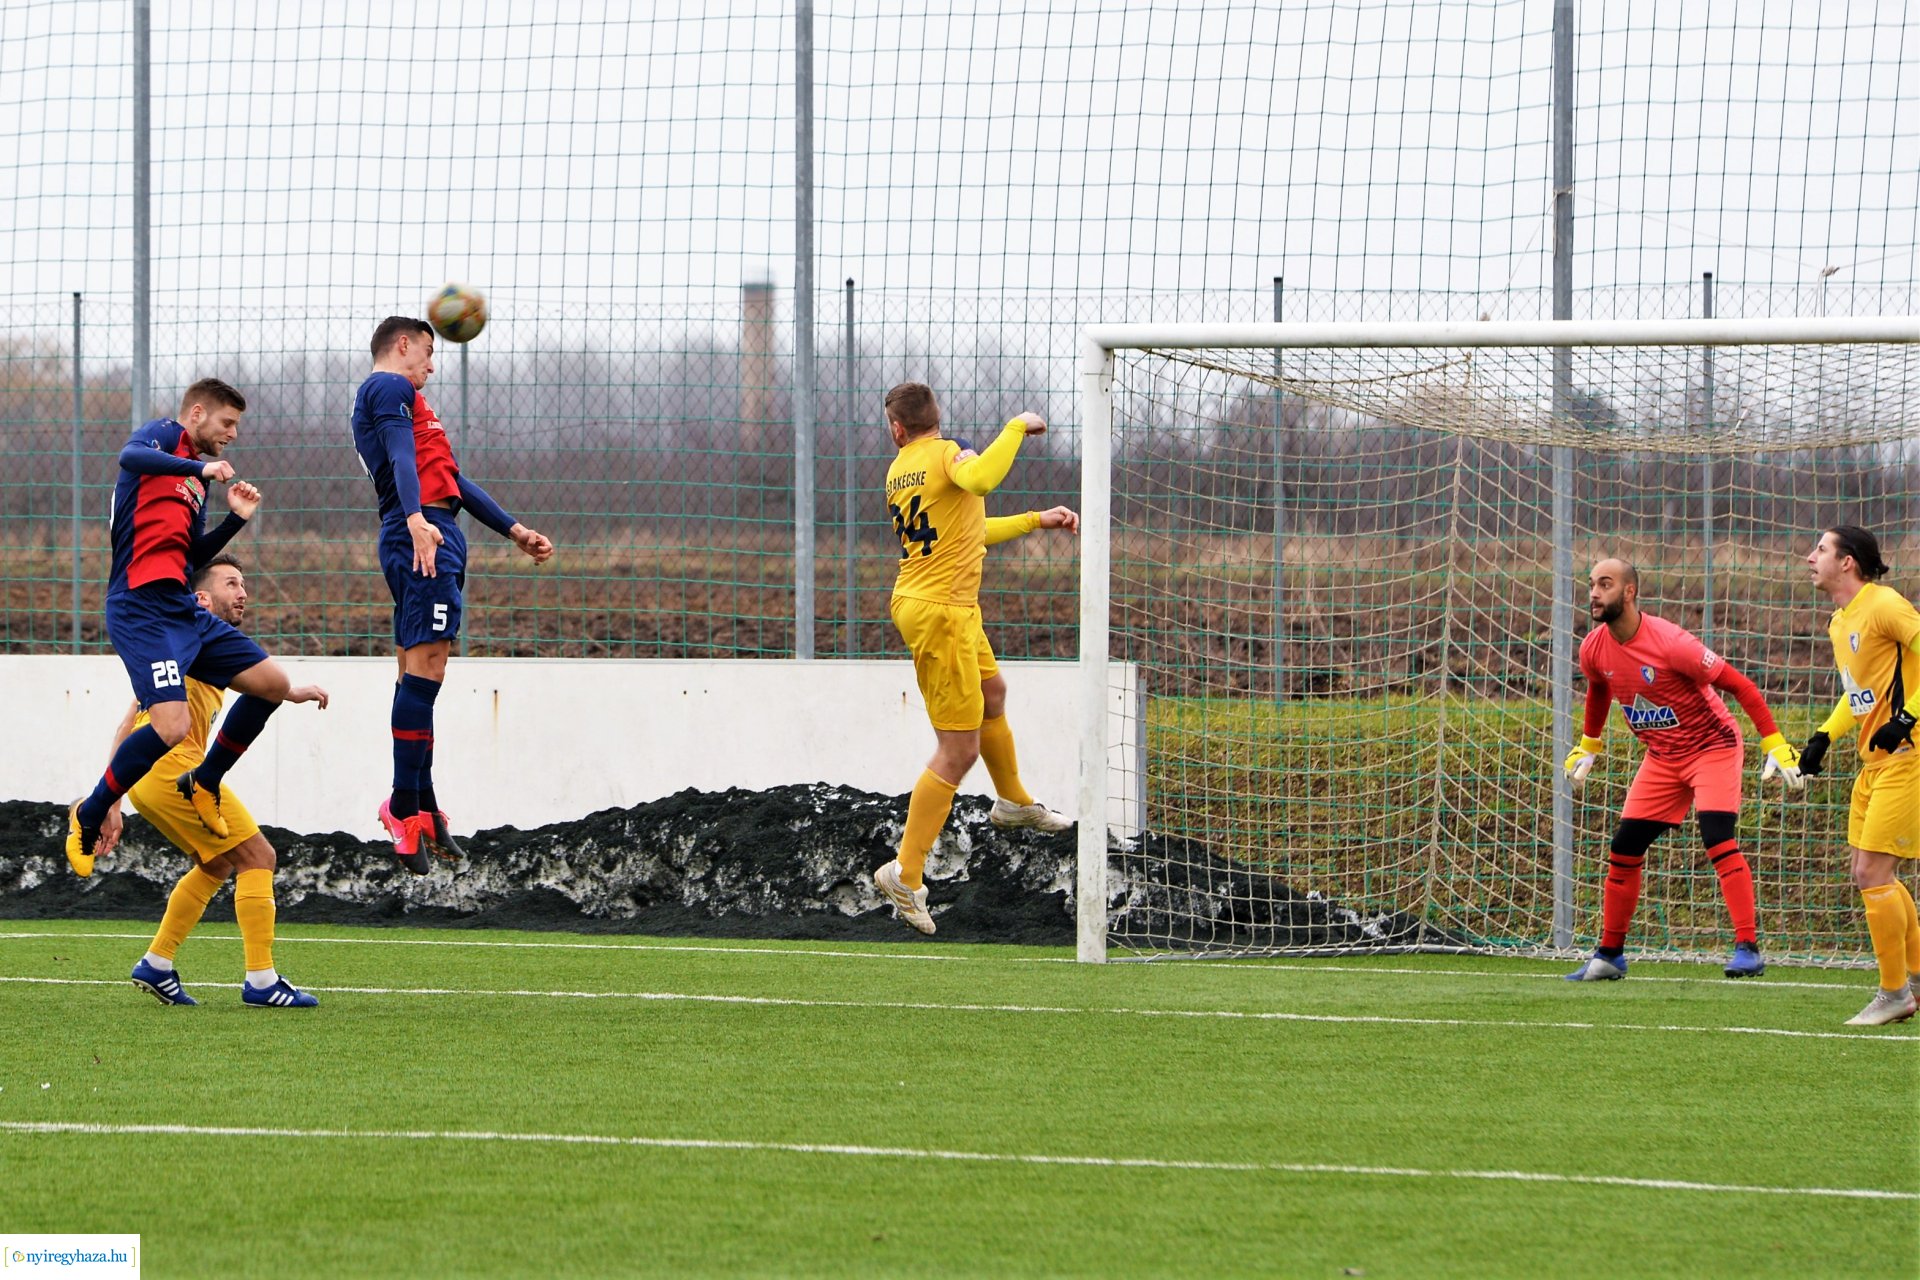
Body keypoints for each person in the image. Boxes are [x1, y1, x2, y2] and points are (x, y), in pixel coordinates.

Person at [67, 379, 305, 873]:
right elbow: (130, 456)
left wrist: (235, 519)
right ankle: (90, 812)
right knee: (171, 725)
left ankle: (204, 781)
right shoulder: (162, 437)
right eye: (227, 423)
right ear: (197, 414)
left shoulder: (196, 486)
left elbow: (191, 556)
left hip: (182, 608)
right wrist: (201, 465)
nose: (233, 434)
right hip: (140, 607)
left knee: (273, 686)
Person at [871, 382, 1079, 935]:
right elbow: (983, 478)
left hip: (947, 606)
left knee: (993, 694)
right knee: (958, 750)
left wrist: (1037, 519)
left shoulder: (901, 471)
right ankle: (905, 874)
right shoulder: (946, 455)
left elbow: (969, 531)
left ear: (896, 429)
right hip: (940, 612)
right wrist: (1016, 426)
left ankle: (1012, 802)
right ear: (935, 419)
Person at [350, 316, 553, 873]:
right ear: (404, 344)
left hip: (432, 528)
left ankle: (425, 806)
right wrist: (416, 519)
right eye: (429, 355)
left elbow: (454, 481)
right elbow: (397, 455)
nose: (432, 368)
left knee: (420, 671)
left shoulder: (412, 405)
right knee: (428, 671)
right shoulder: (389, 387)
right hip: (424, 534)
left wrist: (513, 530)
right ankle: (404, 805)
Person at [94, 554, 330, 1008]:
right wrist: (109, 799)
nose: (243, 593)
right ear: (200, 597)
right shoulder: (191, 622)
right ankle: (262, 981)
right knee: (258, 855)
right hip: (171, 771)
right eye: (231, 583)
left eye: (244, 585)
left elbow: (131, 718)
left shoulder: (193, 646)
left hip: (157, 775)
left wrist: (115, 797)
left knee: (217, 864)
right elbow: (132, 722)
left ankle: (157, 964)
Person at [1562, 558, 1803, 980]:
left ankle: (1747, 948)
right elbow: (1599, 689)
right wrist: (1589, 744)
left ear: (1630, 592)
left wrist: (1775, 742)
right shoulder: (1593, 647)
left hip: (1713, 747)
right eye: (1591, 585)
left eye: (1605, 584)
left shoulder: (1673, 644)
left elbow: (1741, 686)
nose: (1595, 593)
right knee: (1624, 848)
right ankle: (1609, 955)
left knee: (1717, 838)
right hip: (1662, 756)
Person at [1798, 525, 1920, 1026]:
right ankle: (1914, 977)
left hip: (1910, 755)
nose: (1811, 557)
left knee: (1873, 871)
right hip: (1876, 761)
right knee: (1868, 871)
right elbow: (1861, 694)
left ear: (1847, 562)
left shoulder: (1886, 604)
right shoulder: (1838, 621)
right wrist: (1824, 736)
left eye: (1821, 550)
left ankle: (1894, 994)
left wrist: (1908, 718)